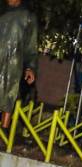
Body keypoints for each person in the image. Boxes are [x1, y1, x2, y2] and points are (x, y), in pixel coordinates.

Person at [0, 0, 37, 129]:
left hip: (13, 62)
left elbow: (31, 46)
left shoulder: (28, 16)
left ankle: (4, 130)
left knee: (9, 94)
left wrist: (30, 67)